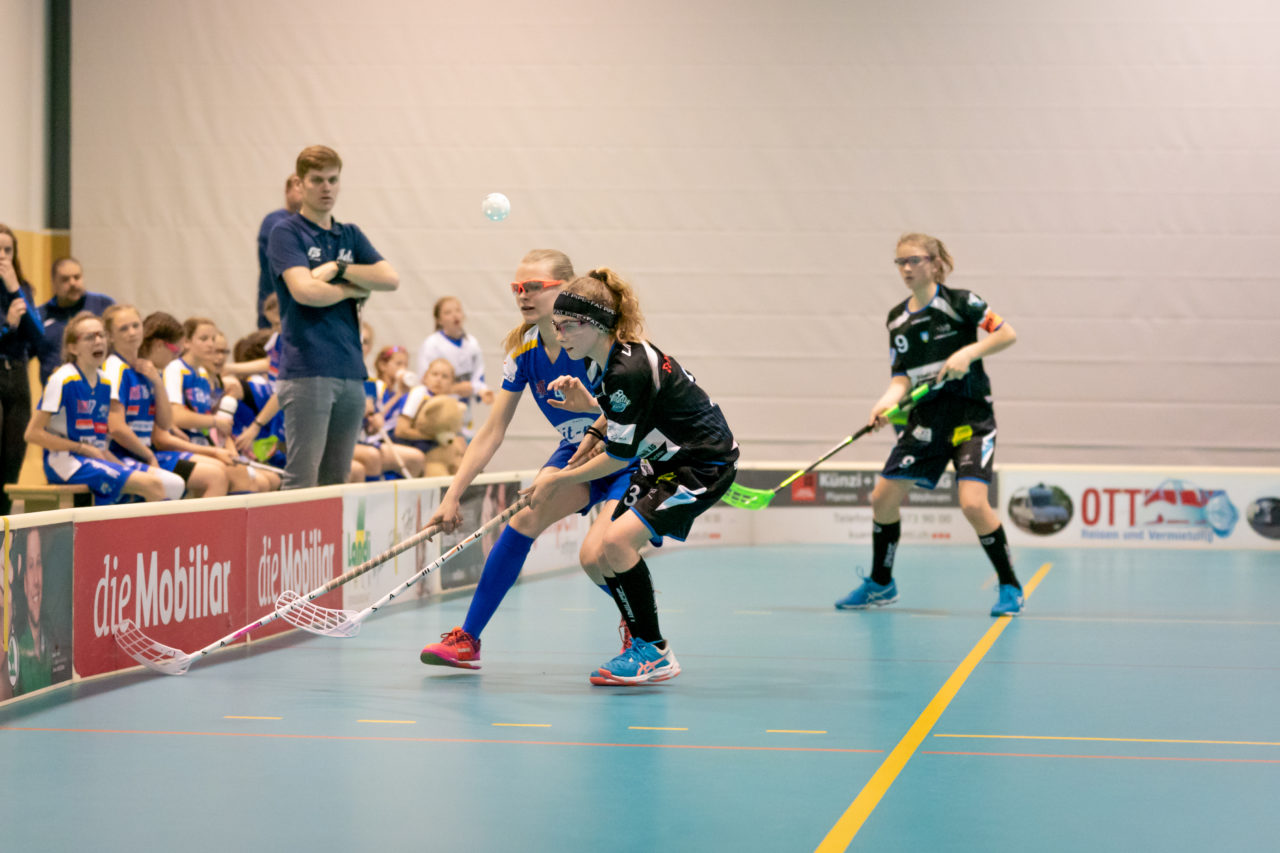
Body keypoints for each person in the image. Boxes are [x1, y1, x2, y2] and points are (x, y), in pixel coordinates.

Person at [418, 250, 633, 671]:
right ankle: (468, 639)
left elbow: (624, 420)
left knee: (599, 554)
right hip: (577, 450)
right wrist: (452, 495)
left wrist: (590, 408)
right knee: (522, 522)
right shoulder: (523, 348)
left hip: (625, 453)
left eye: (534, 286)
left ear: (566, 290)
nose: (523, 295)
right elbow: (492, 431)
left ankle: (640, 618)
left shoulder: (598, 344)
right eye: (518, 288)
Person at [526, 268, 739, 685]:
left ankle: (653, 650)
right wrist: (592, 430)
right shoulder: (597, 363)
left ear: (596, 324)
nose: (560, 334)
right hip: (661, 461)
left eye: (567, 326)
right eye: (556, 326)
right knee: (594, 557)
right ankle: (640, 632)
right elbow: (618, 417)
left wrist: (554, 480)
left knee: (617, 542)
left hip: (701, 463)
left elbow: (618, 456)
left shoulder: (628, 369)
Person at [835, 233, 1023, 617]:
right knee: (882, 499)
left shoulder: (961, 303)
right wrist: (884, 404)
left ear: (935, 263)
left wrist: (968, 353)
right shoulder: (897, 319)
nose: (906, 268)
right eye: (900, 262)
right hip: (924, 421)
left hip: (971, 419)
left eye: (914, 260)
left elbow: (1006, 333)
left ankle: (1009, 585)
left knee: (972, 504)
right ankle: (881, 584)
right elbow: (901, 378)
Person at [266, 144, 399, 489]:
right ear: (300, 183)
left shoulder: (349, 235)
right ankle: (289, 544)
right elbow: (305, 292)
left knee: (336, 481)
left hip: (351, 372)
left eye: (333, 180)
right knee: (302, 478)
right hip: (308, 370)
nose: (326, 188)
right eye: (317, 180)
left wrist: (339, 268)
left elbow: (389, 278)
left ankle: (326, 546)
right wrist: (353, 289)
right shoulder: (286, 232)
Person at [25, 312, 182, 504]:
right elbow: (32, 434)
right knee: (152, 486)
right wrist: (81, 447)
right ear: (73, 348)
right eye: (90, 337)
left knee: (163, 484)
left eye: (101, 335)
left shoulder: (105, 382)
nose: (98, 341)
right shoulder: (62, 379)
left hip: (94, 458)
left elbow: (99, 444)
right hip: (65, 461)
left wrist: (121, 466)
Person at [102, 305, 229, 498]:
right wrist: (148, 455)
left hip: (141, 452)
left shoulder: (145, 370)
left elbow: (165, 422)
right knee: (195, 479)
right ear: (110, 336)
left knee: (216, 473)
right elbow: (117, 428)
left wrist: (157, 383)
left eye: (136, 326)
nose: (132, 332)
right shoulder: (115, 368)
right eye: (123, 328)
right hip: (122, 454)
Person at [164, 317, 273, 493]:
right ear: (186, 342)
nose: (211, 345)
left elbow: (218, 426)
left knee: (257, 478)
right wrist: (215, 421)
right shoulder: (175, 369)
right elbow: (177, 416)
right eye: (204, 339)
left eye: (213, 339)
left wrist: (231, 451)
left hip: (205, 446)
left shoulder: (202, 374)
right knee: (236, 477)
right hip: (180, 447)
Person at [0, 224, 43, 515]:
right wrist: (8, 326)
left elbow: (39, 339)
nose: (2, 256)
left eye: (8, 250)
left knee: (14, 452)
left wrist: (16, 289)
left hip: (16, 374)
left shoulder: (22, 289)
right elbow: (14, 329)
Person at [414, 296, 494, 438]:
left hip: (464, 415)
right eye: (448, 312)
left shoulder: (472, 344)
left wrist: (482, 391)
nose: (455, 315)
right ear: (439, 320)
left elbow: (478, 379)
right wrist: (454, 389)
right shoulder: (432, 345)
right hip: (439, 414)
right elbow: (425, 381)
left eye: (458, 310)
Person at [36, 257, 115, 385]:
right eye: (65, 279)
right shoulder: (40, 316)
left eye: (76, 277)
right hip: (58, 392)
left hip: (100, 389)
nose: (72, 283)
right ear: (53, 283)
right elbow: (22, 356)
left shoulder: (103, 305)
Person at [394, 357, 466, 477]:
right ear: (425, 378)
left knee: (460, 457)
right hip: (409, 447)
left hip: (433, 448)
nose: (439, 380)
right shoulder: (419, 394)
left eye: (444, 376)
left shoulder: (449, 402)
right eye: (434, 374)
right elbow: (400, 431)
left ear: (452, 383)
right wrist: (435, 437)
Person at [257, 175, 303, 329]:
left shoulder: (317, 225)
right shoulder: (275, 222)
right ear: (287, 191)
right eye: (298, 185)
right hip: (276, 307)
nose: (303, 189)